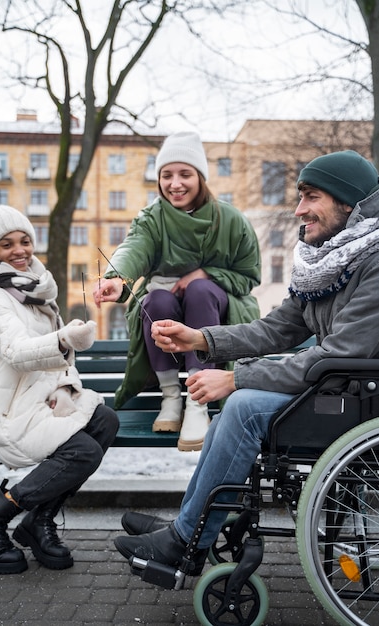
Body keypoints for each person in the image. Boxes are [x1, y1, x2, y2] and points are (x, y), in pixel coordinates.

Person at [113, 149, 379, 572]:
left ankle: (186, 541)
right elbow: (275, 329)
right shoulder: (329, 260)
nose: (298, 210)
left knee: (243, 407)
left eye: (311, 197)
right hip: (338, 390)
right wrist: (200, 338)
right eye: (299, 197)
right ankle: (190, 522)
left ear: (349, 203)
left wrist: (236, 379)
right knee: (234, 412)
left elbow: (340, 356)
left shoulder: (373, 262)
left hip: (360, 400)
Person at [0, 204, 119, 575]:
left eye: (25, 241)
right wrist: (64, 339)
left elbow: (61, 363)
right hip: (7, 410)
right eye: (7, 245)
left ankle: (39, 520)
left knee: (105, 422)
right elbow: (17, 352)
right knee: (81, 452)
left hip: (39, 401)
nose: (19, 251)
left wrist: (65, 388)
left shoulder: (38, 292)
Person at [93, 131, 261, 452]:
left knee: (199, 290)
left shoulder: (231, 220)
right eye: (166, 175)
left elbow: (248, 277)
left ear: (200, 177)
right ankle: (171, 398)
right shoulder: (152, 218)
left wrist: (206, 273)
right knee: (155, 297)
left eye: (185, 174)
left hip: (216, 314)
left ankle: (197, 404)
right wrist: (117, 278)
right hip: (165, 312)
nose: (175, 183)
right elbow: (134, 247)